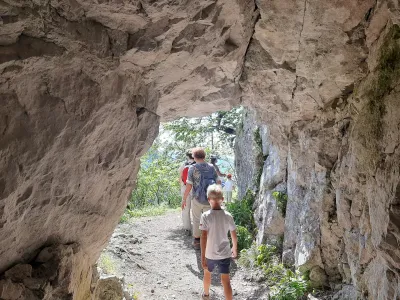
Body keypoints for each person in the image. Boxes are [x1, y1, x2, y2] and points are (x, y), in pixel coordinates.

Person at [199, 184, 237, 300]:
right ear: (222, 200)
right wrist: (234, 248)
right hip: (225, 253)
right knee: (225, 280)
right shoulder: (228, 216)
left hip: (209, 253)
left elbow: (203, 237)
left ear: (208, 200)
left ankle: (206, 295)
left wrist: (202, 256)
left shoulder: (205, 216)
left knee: (207, 274)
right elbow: (233, 234)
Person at [182, 148, 220, 249]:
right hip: (210, 198)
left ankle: (197, 241)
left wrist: (184, 199)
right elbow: (218, 182)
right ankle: (209, 240)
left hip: (197, 198)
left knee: (196, 219)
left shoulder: (192, 168)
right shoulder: (211, 167)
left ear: (194, 156)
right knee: (209, 219)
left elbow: (189, 186)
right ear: (204, 156)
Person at [180, 150, 195, 235]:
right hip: (194, 188)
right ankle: (197, 228)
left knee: (186, 208)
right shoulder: (197, 165)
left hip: (185, 187)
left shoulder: (184, 165)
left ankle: (187, 228)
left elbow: (180, 177)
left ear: (187, 156)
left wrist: (182, 186)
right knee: (196, 208)